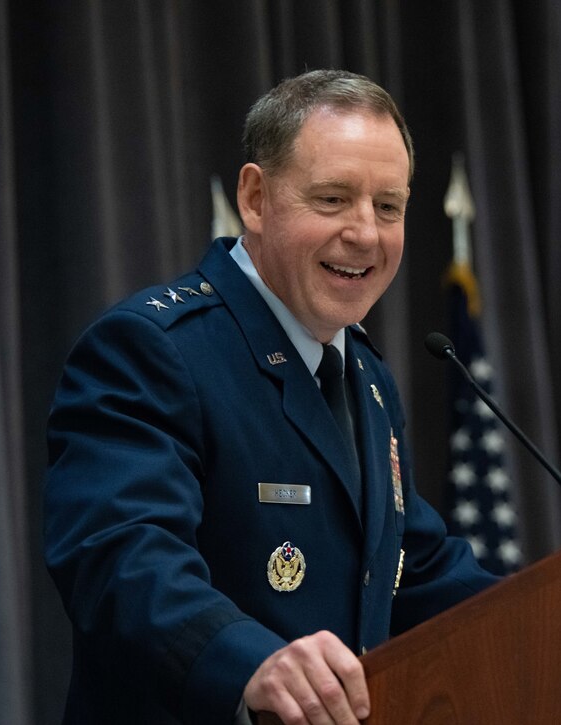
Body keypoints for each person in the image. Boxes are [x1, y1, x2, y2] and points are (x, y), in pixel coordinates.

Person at [44, 69, 499, 725]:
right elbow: (122, 559)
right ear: (255, 198)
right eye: (334, 199)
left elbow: (412, 568)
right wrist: (249, 660)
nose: (366, 233)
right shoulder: (152, 349)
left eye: (389, 206)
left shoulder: (365, 375)